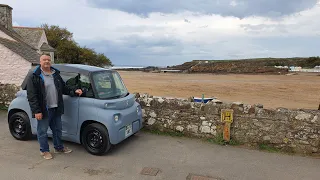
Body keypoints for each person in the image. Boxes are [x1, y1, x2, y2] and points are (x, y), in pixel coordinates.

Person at [26, 53, 83, 160]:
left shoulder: (55, 74)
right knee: (42, 131)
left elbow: (63, 87)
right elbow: (32, 96)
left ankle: (59, 147)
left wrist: (74, 91)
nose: (47, 61)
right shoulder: (34, 76)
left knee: (57, 129)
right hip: (44, 109)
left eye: (48, 59)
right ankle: (44, 150)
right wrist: (36, 111)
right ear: (40, 61)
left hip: (56, 107)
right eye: (44, 60)